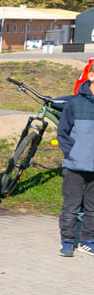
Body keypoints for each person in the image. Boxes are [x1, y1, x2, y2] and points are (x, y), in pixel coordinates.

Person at [56, 78, 94, 257]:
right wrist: (73, 152)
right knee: (71, 205)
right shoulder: (75, 103)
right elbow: (63, 132)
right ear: (92, 76)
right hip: (75, 164)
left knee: (92, 207)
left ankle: (87, 242)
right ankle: (67, 241)